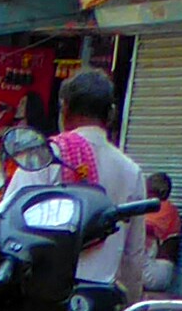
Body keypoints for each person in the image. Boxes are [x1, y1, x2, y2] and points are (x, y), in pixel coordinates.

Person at [47, 70, 147, 289]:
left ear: (65, 109)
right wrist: (128, 303)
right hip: (100, 298)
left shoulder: (46, 155)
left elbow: (4, 223)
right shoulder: (131, 172)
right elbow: (133, 257)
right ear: (111, 115)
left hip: (45, 294)